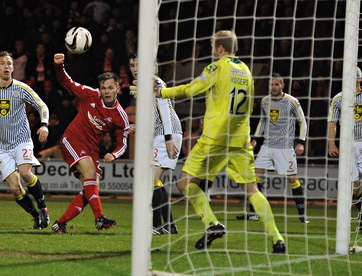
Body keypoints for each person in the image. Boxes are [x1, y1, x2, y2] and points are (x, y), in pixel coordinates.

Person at [139, 30, 286, 253]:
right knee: (252, 189)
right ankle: (277, 239)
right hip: (240, 139)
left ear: (219, 49)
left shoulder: (216, 68)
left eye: (212, 46)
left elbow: (191, 89)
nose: (211, 50)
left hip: (215, 138)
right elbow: (252, 105)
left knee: (185, 183)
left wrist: (162, 92)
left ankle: (212, 223)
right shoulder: (246, 71)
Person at [0, 51, 51, 230]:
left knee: (26, 173)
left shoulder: (21, 88)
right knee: (15, 188)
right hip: (2, 146)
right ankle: (35, 215)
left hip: (22, 140)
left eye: (9, 63)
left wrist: (44, 124)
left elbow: (42, 105)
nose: (7, 66)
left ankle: (43, 208)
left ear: (13, 68)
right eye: (3, 63)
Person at [51, 53, 130, 234]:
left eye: (110, 87)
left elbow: (122, 142)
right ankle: (99, 218)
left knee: (91, 189)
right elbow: (67, 82)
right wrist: (58, 66)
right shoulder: (90, 95)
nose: (106, 91)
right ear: (100, 89)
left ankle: (60, 223)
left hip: (91, 148)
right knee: (90, 174)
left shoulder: (121, 116)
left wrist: (114, 154)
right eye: (103, 88)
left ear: (118, 88)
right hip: (73, 138)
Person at [236, 72, 309, 223]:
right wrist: (255, 139)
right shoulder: (265, 101)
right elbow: (263, 122)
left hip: (285, 147)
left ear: (282, 85)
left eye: (277, 84)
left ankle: (302, 215)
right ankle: (255, 212)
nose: (274, 87)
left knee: (293, 180)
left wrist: (301, 142)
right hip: (267, 146)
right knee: (254, 177)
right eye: (271, 84)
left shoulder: (292, 101)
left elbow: (302, 121)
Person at [128, 52, 182, 235]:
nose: (134, 69)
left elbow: (165, 112)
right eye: (131, 66)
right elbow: (153, 115)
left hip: (167, 134)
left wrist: (168, 139)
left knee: (151, 180)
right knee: (154, 180)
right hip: (161, 135)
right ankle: (168, 225)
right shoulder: (143, 85)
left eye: (137, 65)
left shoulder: (156, 83)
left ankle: (158, 226)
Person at [328, 66, 362, 230]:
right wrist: (331, 143)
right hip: (348, 144)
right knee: (354, 187)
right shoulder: (338, 99)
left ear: (359, 79)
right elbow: (332, 122)